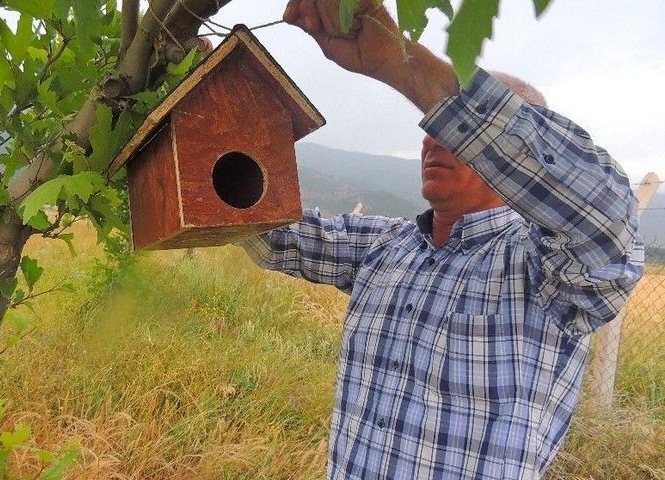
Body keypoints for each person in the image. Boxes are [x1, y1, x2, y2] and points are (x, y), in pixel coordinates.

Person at [240, 1, 645, 478]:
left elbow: (606, 219)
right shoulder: (388, 249)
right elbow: (276, 237)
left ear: (512, 161)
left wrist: (400, 62)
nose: (432, 140)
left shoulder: (547, 273)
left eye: (458, 132)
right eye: (433, 127)